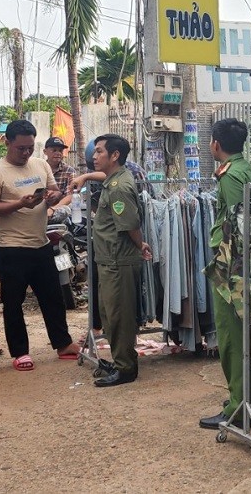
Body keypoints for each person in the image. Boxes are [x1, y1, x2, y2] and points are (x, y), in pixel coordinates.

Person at [0, 119, 81, 371]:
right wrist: (18, 204)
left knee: (52, 297)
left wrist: (53, 197)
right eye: (20, 148)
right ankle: (20, 352)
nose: (25, 153)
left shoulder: (40, 164)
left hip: (40, 244)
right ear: (8, 142)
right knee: (13, 302)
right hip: (10, 249)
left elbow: (54, 190)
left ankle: (63, 343)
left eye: (29, 148)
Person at [199, 118, 251, 430]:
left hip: (233, 269)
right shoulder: (247, 169)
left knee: (231, 338)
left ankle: (238, 406)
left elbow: (241, 226)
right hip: (246, 266)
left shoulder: (230, 177)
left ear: (216, 144)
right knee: (245, 335)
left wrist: (229, 267)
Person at [89, 134, 152, 387]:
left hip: (118, 260)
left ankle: (126, 368)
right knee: (110, 314)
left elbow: (129, 224)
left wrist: (141, 244)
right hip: (109, 258)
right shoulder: (113, 180)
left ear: (115, 156)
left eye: (100, 152)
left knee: (120, 317)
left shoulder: (120, 187)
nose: (94, 156)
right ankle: (120, 360)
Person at [43, 136, 76, 223]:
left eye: (60, 151)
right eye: (54, 150)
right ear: (45, 152)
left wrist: (53, 209)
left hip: (60, 208)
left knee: (65, 210)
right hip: (40, 206)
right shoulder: (39, 168)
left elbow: (70, 195)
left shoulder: (69, 170)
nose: (58, 153)